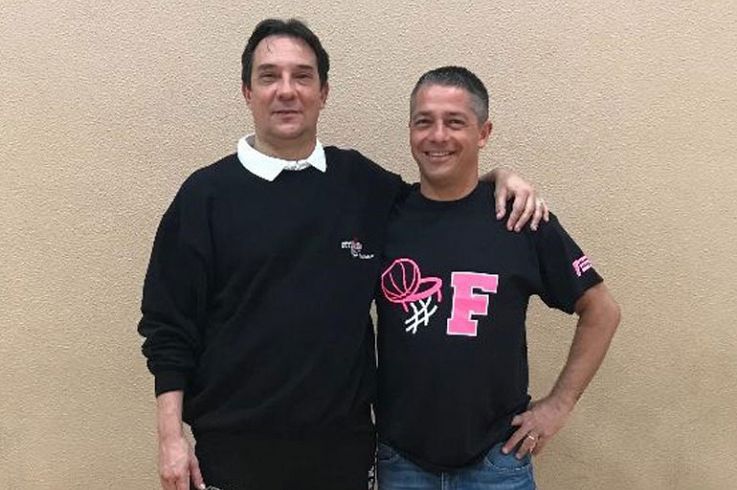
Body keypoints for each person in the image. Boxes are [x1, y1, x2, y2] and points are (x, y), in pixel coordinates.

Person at [138, 19, 546, 490]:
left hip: (343, 455)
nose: (286, 91)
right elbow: (168, 327)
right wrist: (171, 437)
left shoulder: (362, 185)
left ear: (323, 93)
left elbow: (438, 197)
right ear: (248, 92)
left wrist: (496, 177)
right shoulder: (204, 197)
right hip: (232, 454)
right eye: (269, 76)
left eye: (302, 76)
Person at [375, 66, 621, 489]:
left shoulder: (519, 218)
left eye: (455, 122)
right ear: (410, 130)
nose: (437, 136)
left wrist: (559, 405)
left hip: (496, 462)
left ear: (483, 133)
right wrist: (497, 173)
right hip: (402, 461)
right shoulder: (383, 214)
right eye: (424, 121)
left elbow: (602, 310)